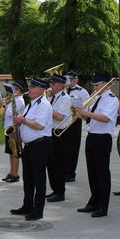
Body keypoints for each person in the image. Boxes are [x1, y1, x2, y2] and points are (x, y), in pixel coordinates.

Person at [74, 73, 119, 218]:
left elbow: (105, 118)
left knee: (102, 173)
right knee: (92, 172)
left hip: (102, 139)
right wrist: (78, 112)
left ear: (106, 84)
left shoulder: (111, 100)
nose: (95, 87)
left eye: (97, 85)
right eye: (94, 85)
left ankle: (102, 206)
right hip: (92, 137)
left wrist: (85, 111)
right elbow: (88, 117)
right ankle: (93, 201)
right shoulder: (96, 98)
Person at [10, 77, 53, 221]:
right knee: (28, 179)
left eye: (33, 87)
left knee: (39, 179)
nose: (30, 89)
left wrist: (22, 120)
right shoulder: (31, 104)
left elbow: (39, 125)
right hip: (29, 146)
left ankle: (38, 210)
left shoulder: (44, 105)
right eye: (30, 86)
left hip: (40, 145)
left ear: (41, 89)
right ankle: (27, 205)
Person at [46, 74, 71, 202]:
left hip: (60, 133)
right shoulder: (53, 97)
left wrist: (46, 108)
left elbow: (60, 116)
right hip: (51, 133)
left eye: (54, 84)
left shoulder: (65, 98)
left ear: (61, 85)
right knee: (50, 164)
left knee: (59, 164)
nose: (51, 86)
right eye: (51, 84)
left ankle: (60, 192)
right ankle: (55, 189)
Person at [64, 70, 89, 182]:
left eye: (72, 79)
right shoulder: (62, 90)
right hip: (62, 121)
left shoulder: (82, 92)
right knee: (62, 147)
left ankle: (70, 173)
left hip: (75, 121)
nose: (70, 81)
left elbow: (87, 108)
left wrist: (77, 107)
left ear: (76, 79)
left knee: (73, 148)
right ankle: (62, 170)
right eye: (68, 79)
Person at [1, 81, 26, 183]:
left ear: (18, 90)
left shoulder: (19, 100)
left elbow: (12, 113)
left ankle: (15, 174)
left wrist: (3, 106)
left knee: (15, 153)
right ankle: (11, 172)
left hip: (14, 129)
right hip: (9, 129)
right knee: (10, 153)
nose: (11, 91)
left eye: (13, 89)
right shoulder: (13, 99)